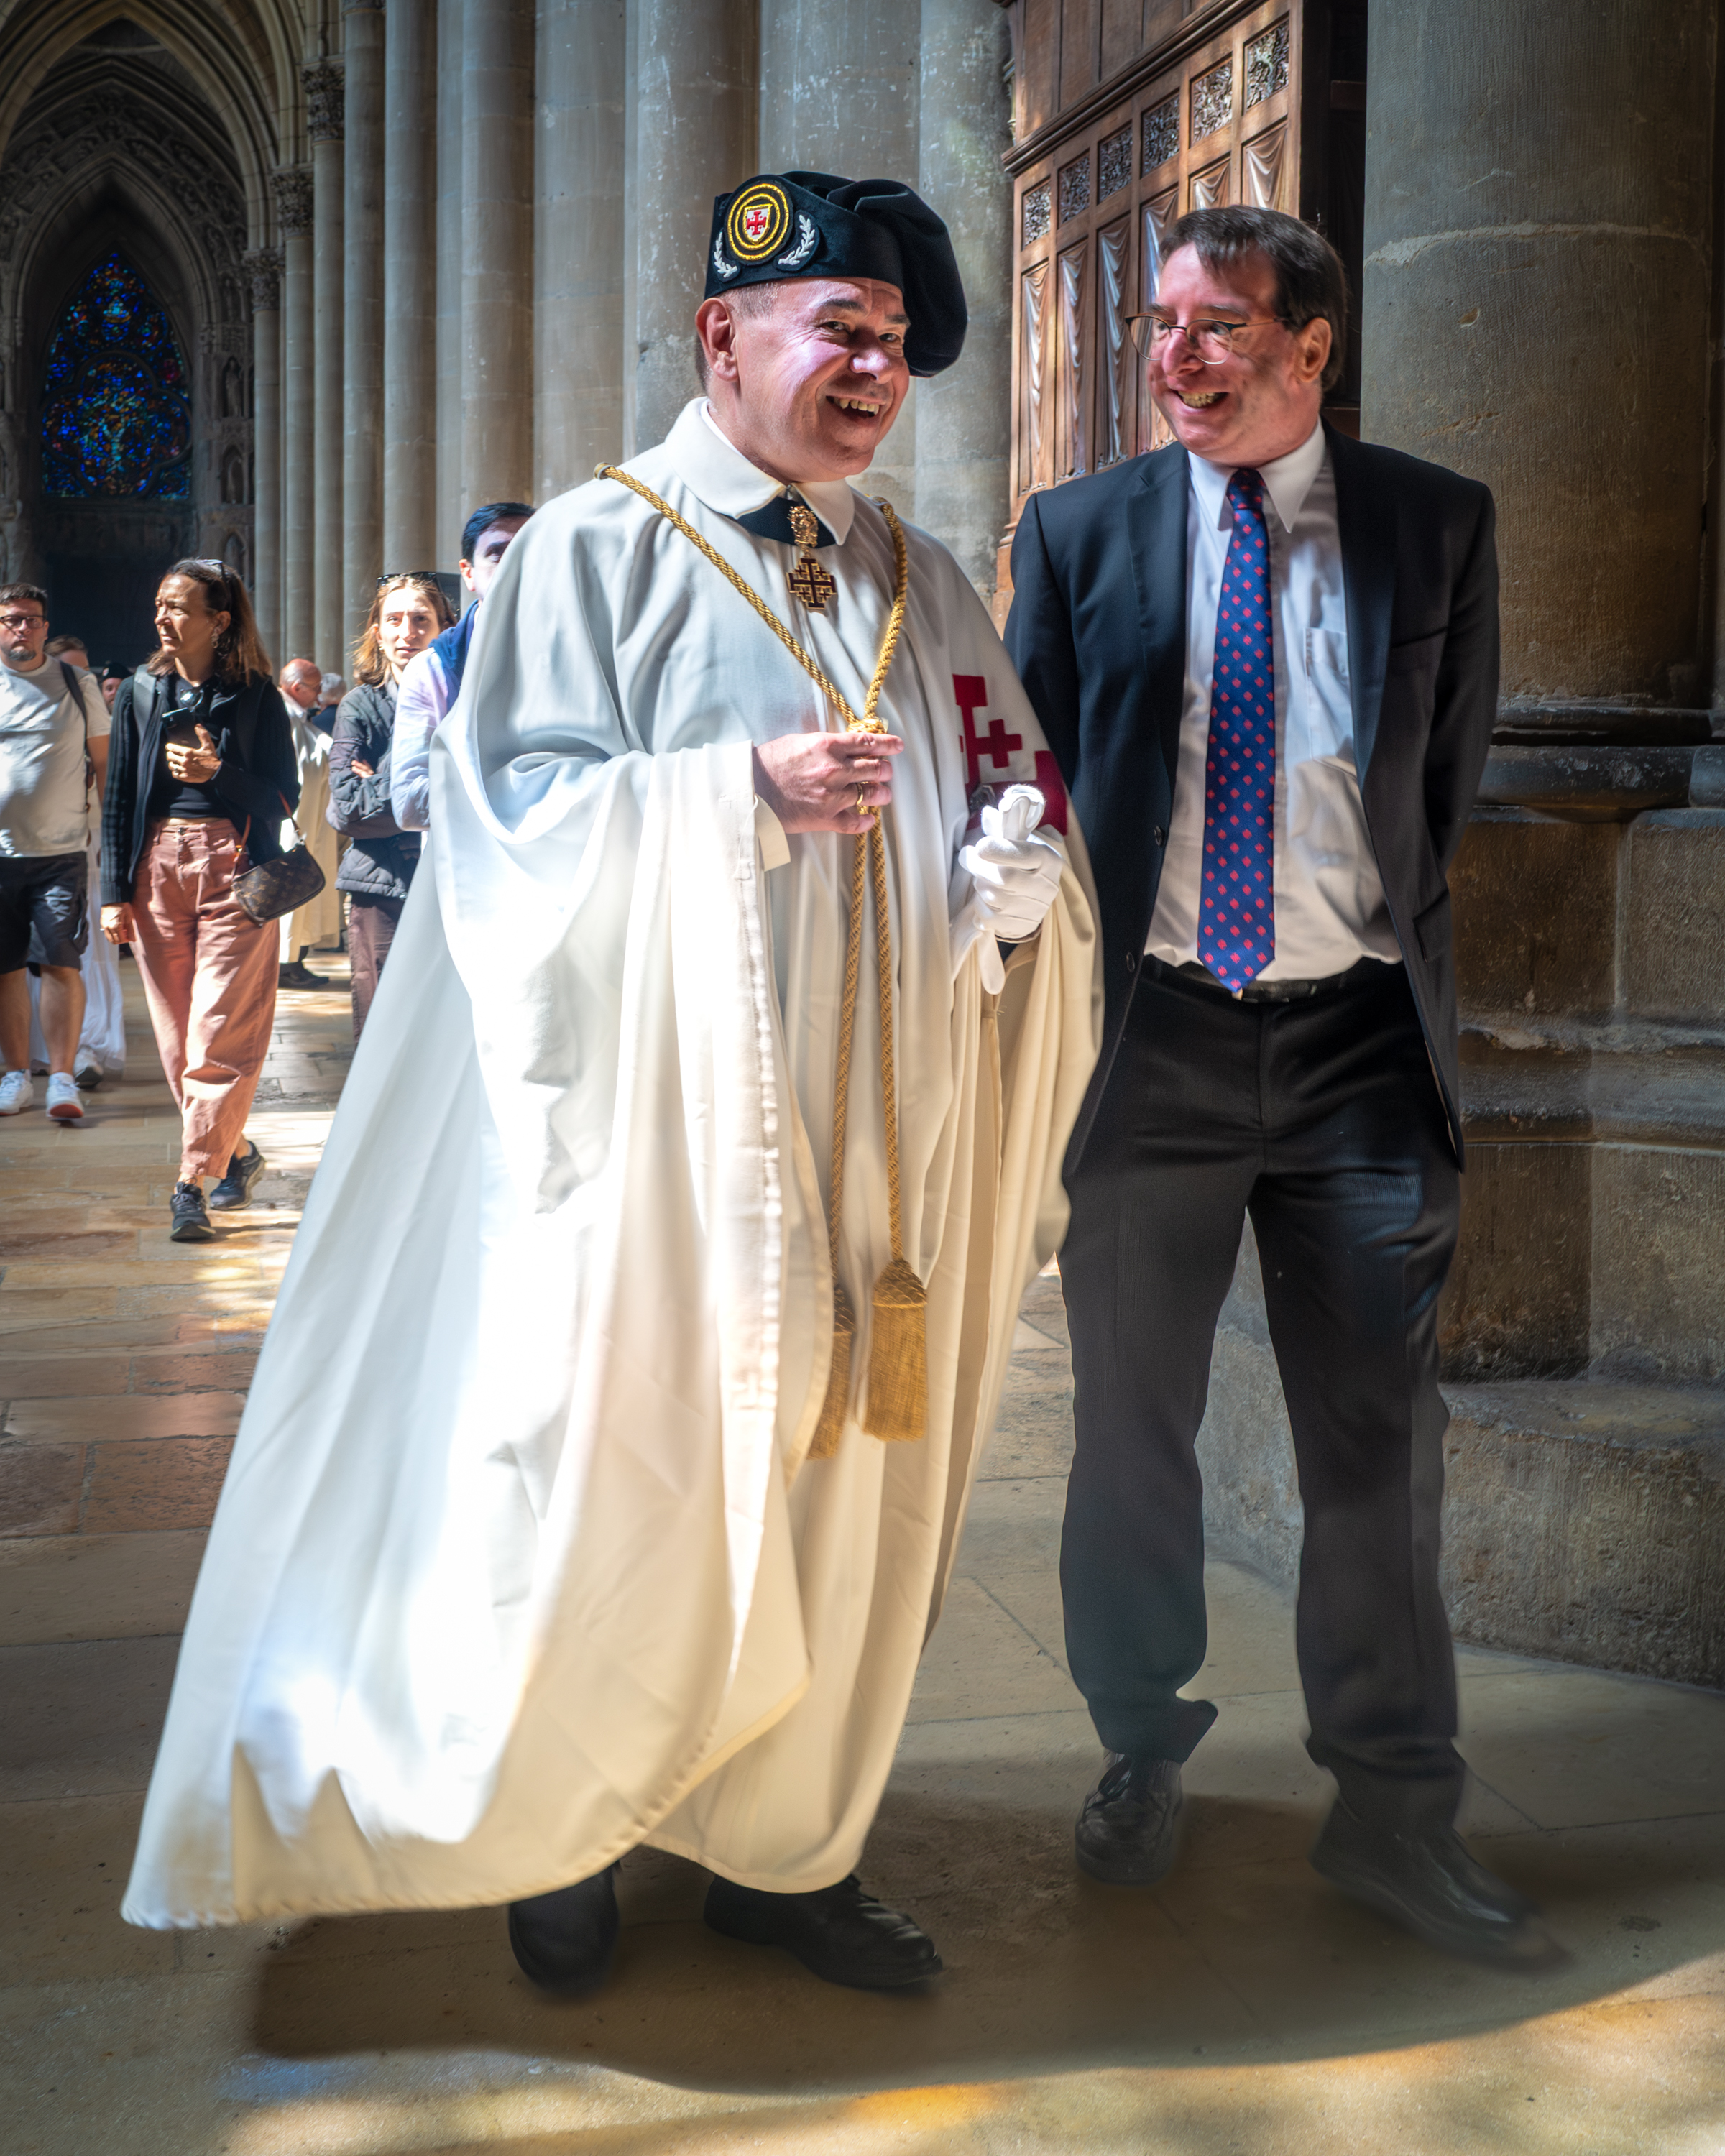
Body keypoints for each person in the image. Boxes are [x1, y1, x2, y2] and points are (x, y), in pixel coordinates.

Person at [124, 170, 1100, 2001]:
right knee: (612, 1476)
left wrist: (1016, 891)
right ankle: (566, 1837)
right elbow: (501, 831)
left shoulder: (922, 577)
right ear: (724, 335)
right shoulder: (597, 549)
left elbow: (1008, 784)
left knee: (844, 1495)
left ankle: (787, 1849)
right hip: (655, 1145)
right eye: (840, 327)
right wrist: (727, 796)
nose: (874, 368)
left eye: (895, 342)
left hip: (883, 1153)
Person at [1003, 205, 1540, 1966]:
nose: (1173, 356)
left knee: (1378, 1449)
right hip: (1149, 1041)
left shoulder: (1433, 524)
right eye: (1160, 322)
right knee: (1129, 1433)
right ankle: (1138, 1744)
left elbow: (1435, 793)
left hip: (1356, 1050)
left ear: (1310, 347)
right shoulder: (1078, 531)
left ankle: (1393, 1813)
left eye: (1216, 325)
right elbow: (1033, 790)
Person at [101, 559, 296, 1243]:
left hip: (234, 868)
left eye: (180, 606)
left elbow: (283, 798)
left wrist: (219, 773)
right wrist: (113, 892)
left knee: (217, 1031)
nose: (163, 616)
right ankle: (235, 1151)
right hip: (156, 866)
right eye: (161, 603)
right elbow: (118, 795)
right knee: (176, 1035)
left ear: (219, 620)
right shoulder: (139, 690)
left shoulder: (257, 695)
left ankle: (190, 1184)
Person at [0, 586, 109, 1120]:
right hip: (1, 855)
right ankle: (15, 1075)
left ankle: (62, 1079)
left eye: (32, 620)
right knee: (5, 969)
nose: (21, 628)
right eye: (11, 620)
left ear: (45, 627)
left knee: (60, 963)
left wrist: (112, 840)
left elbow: (104, 763)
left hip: (62, 851)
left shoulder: (76, 683)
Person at [327, 573, 454, 1035]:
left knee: (445, 1025)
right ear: (377, 632)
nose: (408, 632)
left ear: (444, 628)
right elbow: (346, 808)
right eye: (394, 620)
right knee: (383, 1026)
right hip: (381, 886)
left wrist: (379, 780)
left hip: (453, 881)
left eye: (421, 620)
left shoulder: (463, 700)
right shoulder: (359, 705)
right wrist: (429, 782)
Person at [389, 502, 532, 831]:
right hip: (470, 854)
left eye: (531, 549)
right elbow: (410, 803)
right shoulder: (432, 670)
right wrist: (542, 786)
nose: (517, 562)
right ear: (469, 573)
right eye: (498, 554)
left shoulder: (581, 653)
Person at [30, 635, 126, 1089]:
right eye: (73, 668)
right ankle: (38, 1049)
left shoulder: (92, 713)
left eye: (86, 670)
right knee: (37, 953)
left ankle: (87, 1044)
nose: (82, 677)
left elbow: (107, 773)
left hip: (85, 843)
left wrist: (112, 838)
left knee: (85, 951)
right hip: (31, 845)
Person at [275, 657, 341, 988]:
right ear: (297, 687)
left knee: (307, 888)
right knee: (291, 887)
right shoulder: (282, 715)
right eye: (315, 689)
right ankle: (284, 964)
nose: (319, 696)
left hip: (310, 820)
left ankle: (295, 960)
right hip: (292, 824)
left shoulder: (299, 717)